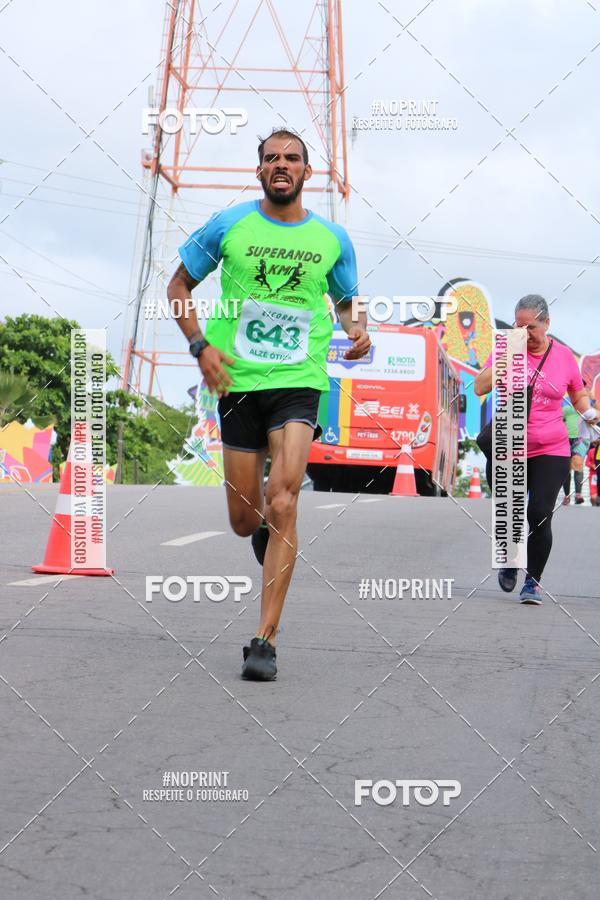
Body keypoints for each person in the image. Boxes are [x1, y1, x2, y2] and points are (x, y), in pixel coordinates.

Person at [167, 127, 370, 680]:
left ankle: (265, 640)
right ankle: (258, 527)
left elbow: (348, 303)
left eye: (293, 158)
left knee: (284, 499)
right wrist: (200, 346)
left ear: (307, 172)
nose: (282, 164)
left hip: (299, 380)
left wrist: (358, 331)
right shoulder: (228, 225)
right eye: (272, 158)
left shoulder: (332, 239)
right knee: (244, 519)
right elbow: (178, 287)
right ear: (259, 170)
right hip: (236, 379)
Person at [474, 294, 598, 604]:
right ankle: (509, 560)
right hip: (508, 445)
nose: (523, 333)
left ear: (546, 323)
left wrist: (588, 412)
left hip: (550, 448)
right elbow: (480, 387)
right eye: (518, 326)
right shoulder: (506, 349)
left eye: (529, 327)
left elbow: (578, 394)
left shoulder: (564, 357)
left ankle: (532, 582)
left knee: (539, 513)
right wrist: (508, 355)